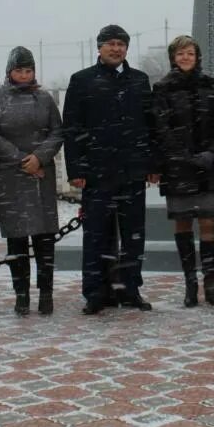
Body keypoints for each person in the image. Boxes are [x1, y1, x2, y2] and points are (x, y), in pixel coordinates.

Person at [63, 24, 160, 315]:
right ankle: (96, 292)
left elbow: (150, 125)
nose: (116, 49)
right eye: (110, 43)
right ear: (100, 47)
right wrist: (76, 168)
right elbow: (72, 127)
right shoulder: (82, 81)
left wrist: (152, 164)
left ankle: (129, 289)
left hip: (132, 172)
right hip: (97, 172)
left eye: (121, 44)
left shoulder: (140, 81)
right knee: (97, 235)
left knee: (133, 234)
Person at [0, 46, 64, 316]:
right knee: (17, 240)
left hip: (42, 174)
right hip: (10, 176)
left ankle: (46, 293)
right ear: (9, 72)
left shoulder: (44, 99)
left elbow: (57, 131)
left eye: (28, 70)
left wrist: (39, 157)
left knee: (44, 239)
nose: (24, 75)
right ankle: (21, 294)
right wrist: (20, 159)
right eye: (19, 70)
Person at [152, 35, 214, 308]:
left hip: (209, 165)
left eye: (190, 53)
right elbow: (160, 127)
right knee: (183, 221)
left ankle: (210, 282)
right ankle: (190, 283)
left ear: (197, 57)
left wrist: (212, 152)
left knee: (208, 222)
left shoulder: (210, 85)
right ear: (173, 57)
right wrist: (182, 156)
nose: (185, 58)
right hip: (178, 167)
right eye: (180, 53)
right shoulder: (162, 88)